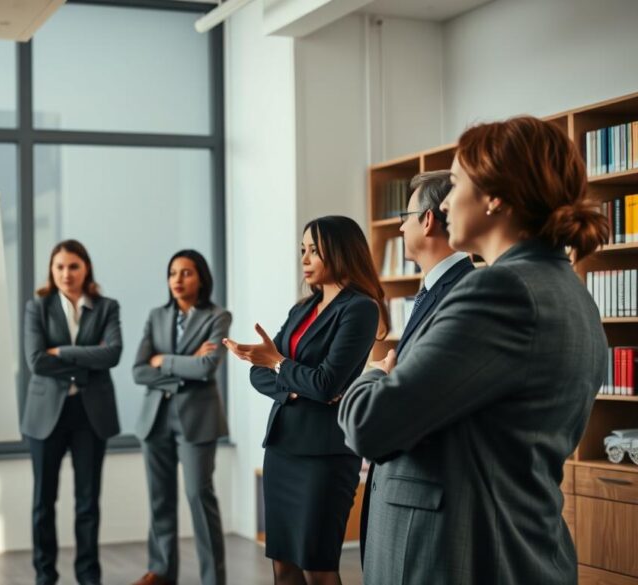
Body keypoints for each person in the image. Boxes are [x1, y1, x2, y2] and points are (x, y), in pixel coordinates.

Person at [339, 116, 609, 585]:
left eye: (457, 182)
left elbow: (370, 425)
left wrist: (373, 375)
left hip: (460, 555)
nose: (444, 202)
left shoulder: (502, 291)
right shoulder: (568, 290)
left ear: (495, 197)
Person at [224, 216, 387, 585]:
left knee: (318, 567)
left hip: (325, 456)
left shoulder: (360, 308)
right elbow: (259, 372)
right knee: (283, 565)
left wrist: (280, 364)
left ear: (341, 251)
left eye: (314, 250)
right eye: (303, 250)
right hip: (282, 449)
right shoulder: (302, 308)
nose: (305, 258)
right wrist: (295, 384)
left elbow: (327, 383)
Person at [358, 170, 473, 566]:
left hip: (430, 497)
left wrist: (379, 377)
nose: (401, 225)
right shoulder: (432, 289)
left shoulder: (464, 292)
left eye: (406, 216)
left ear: (427, 220)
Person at [21, 239, 123, 585]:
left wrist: (61, 352)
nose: (66, 274)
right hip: (46, 414)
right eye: (60, 267)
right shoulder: (37, 307)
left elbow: (112, 355)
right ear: (52, 270)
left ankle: (88, 577)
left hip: (90, 414)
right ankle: (45, 576)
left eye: (74, 266)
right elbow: (36, 361)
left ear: (86, 268)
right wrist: (85, 359)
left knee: (87, 503)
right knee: (43, 504)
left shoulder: (107, 307)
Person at [131, 249, 231, 585]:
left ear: (201, 277)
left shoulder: (217, 317)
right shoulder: (156, 316)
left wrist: (165, 360)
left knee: (198, 497)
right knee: (160, 500)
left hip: (196, 420)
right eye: (173, 272)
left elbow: (207, 368)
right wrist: (183, 363)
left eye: (186, 272)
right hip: (155, 419)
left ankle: (213, 579)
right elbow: (138, 371)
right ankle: (160, 572)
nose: (177, 279)